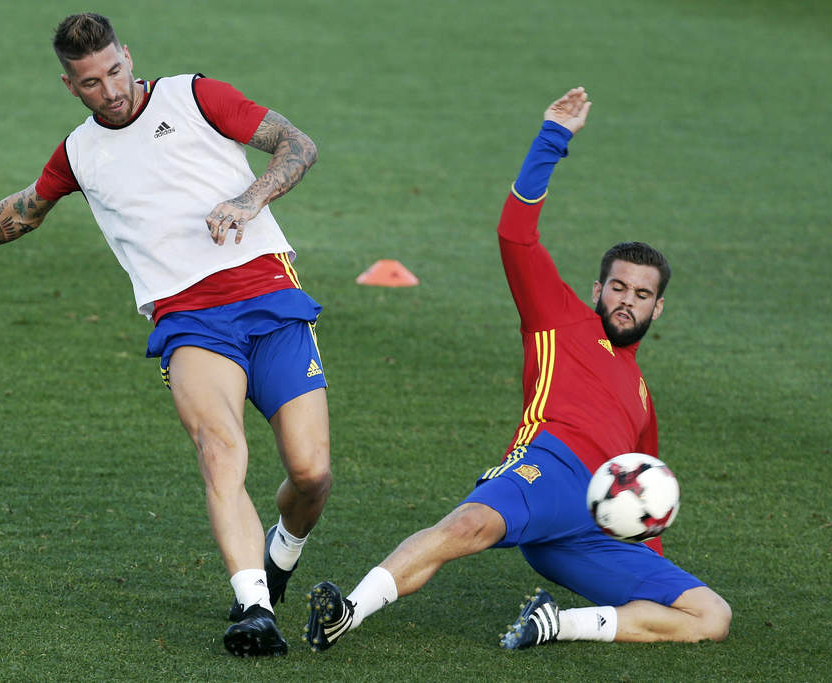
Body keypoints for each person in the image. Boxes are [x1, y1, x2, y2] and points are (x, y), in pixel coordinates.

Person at [0, 12, 330, 657]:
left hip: (269, 298)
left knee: (311, 472)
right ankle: (253, 607)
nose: (110, 91)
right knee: (220, 450)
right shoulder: (79, 152)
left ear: (127, 56)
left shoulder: (196, 96)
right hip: (187, 319)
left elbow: (297, 145)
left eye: (114, 71)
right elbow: (27, 207)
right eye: (91, 83)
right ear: (69, 86)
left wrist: (249, 200)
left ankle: (282, 552)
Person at [303, 87, 731, 653]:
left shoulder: (642, 395)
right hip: (546, 469)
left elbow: (645, 490)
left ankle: (557, 624)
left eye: (642, 294)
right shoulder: (558, 316)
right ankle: (349, 612)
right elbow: (515, 233)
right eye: (619, 287)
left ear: (658, 308)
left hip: (593, 531)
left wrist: (644, 557)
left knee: (711, 615)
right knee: (465, 527)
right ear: (597, 290)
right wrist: (553, 137)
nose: (628, 300)